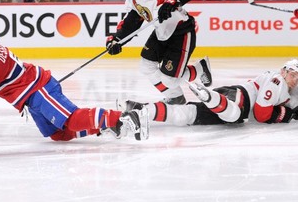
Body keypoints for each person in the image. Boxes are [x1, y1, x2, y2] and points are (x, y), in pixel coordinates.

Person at [0, 20, 148, 141]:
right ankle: (103, 128)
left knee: (70, 120)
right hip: (28, 97)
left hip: (39, 89)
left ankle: (123, 117)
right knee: (57, 134)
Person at [105, 0, 212, 105]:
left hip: (181, 31)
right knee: (146, 66)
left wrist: (171, 2)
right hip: (161, 33)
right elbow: (129, 24)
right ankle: (175, 97)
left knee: (170, 80)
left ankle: (201, 68)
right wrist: (116, 40)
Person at [125, 59, 298, 127]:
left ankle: (141, 110)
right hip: (238, 98)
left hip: (228, 98)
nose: (295, 79)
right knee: (234, 115)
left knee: (187, 115)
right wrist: (285, 114)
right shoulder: (278, 81)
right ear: (283, 71)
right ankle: (209, 97)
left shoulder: (286, 86)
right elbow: (261, 114)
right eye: (293, 74)